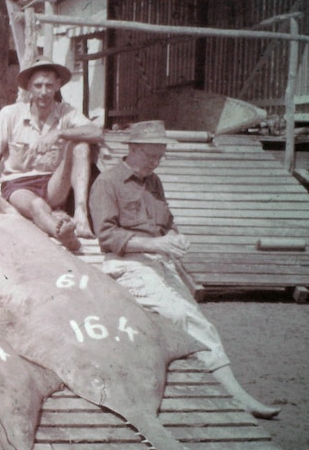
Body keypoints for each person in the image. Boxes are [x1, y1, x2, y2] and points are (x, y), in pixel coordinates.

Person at [89, 120, 279, 419]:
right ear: (133, 149)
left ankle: (231, 391)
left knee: (197, 319)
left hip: (157, 261)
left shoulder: (154, 182)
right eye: (151, 155)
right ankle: (232, 394)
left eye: (160, 156)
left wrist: (175, 236)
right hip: (125, 264)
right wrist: (157, 246)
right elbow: (107, 237)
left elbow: (166, 221)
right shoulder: (107, 183)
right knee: (180, 314)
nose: (156, 161)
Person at [0, 57, 102, 251]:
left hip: (54, 184)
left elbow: (97, 133)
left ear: (58, 85)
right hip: (19, 186)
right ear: (28, 88)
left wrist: (58, 132)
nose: (44, 92)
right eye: (38, 86)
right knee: (38, 205)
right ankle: (63, 235)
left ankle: (81, 214)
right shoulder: (11, 114)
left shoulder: (66, 112)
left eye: (49, 86)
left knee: (81, 145)